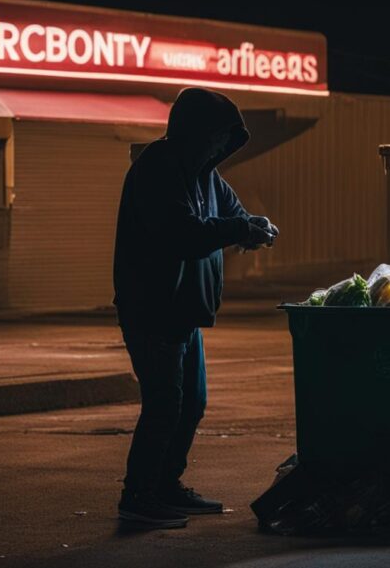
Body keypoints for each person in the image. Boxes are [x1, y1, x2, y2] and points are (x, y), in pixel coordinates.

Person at [112, 87, 278, 529]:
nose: (220, 147)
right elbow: (182, 233)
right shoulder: (158, 168)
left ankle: (166, 483)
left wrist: (251, 228)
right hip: (152, 309)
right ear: (192, 132)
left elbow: (232, 215)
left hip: (185, 311)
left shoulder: (206, 174)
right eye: (216, 137)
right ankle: (139, 494)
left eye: (227, 141)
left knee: (192, 403)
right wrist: (239, 228)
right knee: (165, 403)